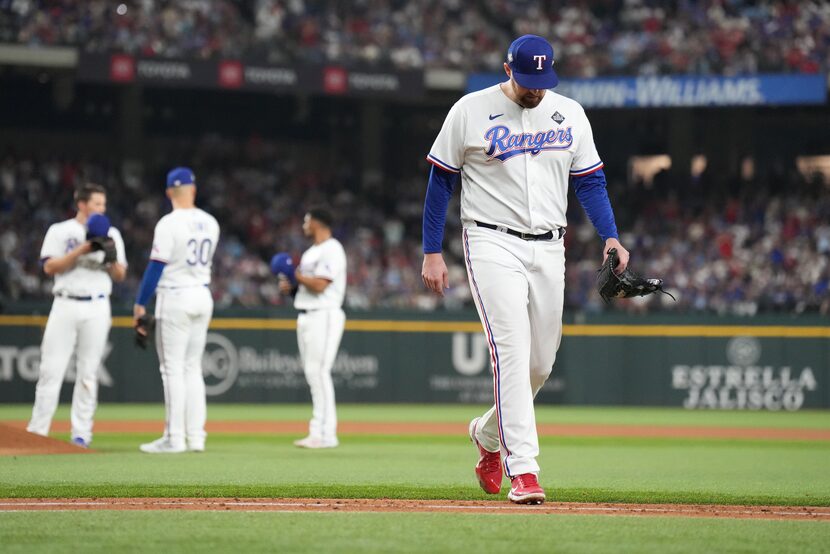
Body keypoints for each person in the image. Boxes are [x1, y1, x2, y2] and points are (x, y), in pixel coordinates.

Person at [421, 35, 630, 504]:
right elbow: (440, 182)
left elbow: (591, 181)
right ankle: (526, 472)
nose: (536, 89)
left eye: (543, 80)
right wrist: (432, 250)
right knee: (512, 352)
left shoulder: (570, 113)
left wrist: (610, 235)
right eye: (527, 79)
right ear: (506, 69)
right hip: (490, 240)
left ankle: (488, 433)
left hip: (549, 245)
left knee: (540, 364)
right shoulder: (469, 110)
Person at [27, 184, 127, 447]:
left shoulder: (111, 233)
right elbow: (49, 266)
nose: (101, 209)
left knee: (88, 372)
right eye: (96, 204)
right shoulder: (61, 231)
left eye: (103, 205)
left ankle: (81, 433)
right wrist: (81, 250)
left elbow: (120, 275)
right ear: (81, 204)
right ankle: (38, 431)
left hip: (97, 305)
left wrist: (109, 257)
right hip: (65, 303)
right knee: (51, 370)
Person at [133, 167, 220, 454]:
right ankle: (196, 438)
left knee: (172, 369)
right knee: (192, 368)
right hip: (202, 295)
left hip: (176, 296)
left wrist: (139, 302)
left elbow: (156, 266)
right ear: (193, 189)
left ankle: (174, 438)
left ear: (169, 192)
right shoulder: (211, 222)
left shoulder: (169, 223)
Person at [278, 207, 347, 449]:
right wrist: (292, 288)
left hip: (325, 314)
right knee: (312, 372)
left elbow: (321, 285)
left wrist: (295, 276)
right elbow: (307, 287)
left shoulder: (332, 248)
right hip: (306, 313)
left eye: (307, 220)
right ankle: (318, 431)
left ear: (317, 222)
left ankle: (326, 433)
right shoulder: (310, 253)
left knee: (319, 372)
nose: (304, 224)